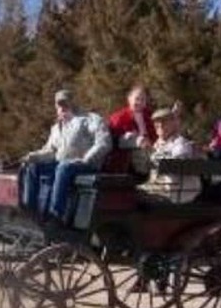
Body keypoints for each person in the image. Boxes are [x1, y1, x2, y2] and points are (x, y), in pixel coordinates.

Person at [21, 89, 112, 225]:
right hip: (63, 165)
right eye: (59, 105)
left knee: (63, 167)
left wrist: (86, 159)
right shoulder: (56, 128)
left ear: (73, 103)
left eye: (65, 104)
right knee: (33, 167)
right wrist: (33, 157)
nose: (62, 108)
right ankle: (31, 211)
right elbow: (50, 152)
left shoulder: (90, 119)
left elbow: (104, 143)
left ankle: (55, 215)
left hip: (86, 165)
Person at [147, 106, 201, 203]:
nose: (160, 125)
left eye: (164, 122)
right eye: (157, 123)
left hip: (181, 193)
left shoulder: (181, 143)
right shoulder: (157, 145)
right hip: (162, 192)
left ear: (173, 124)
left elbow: (176, 162)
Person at [106, 84, 157, 174]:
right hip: (127, 158)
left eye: (143, 100)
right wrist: (134, 140)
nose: (140, 102)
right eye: (137, 99)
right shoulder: (118, 117)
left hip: (150, 152)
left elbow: (156, 135)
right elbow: (113, 141)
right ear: (129, 99)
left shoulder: (150, 116)